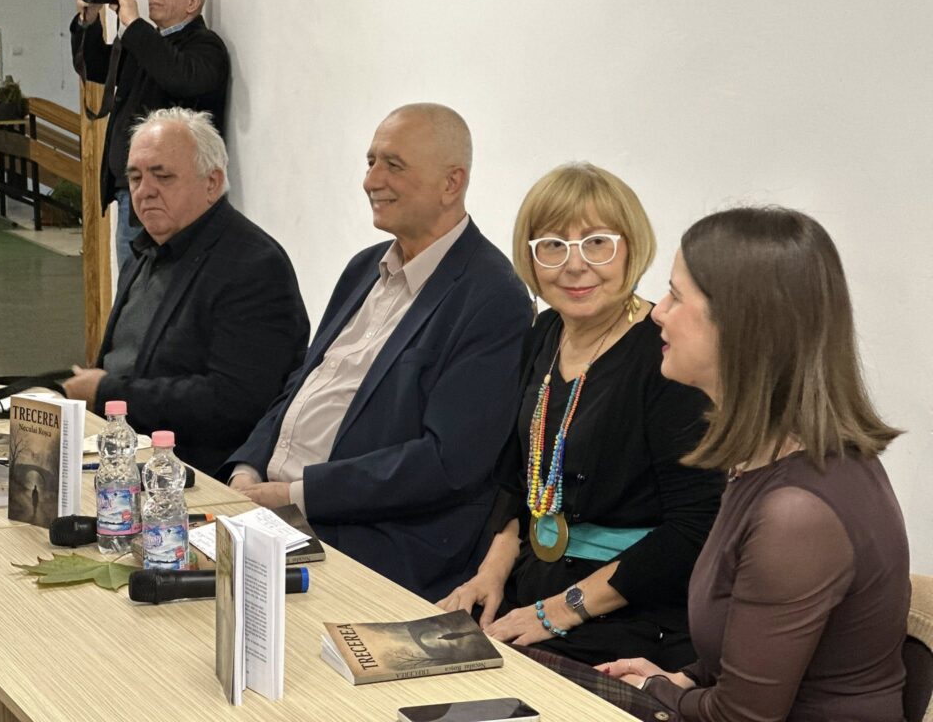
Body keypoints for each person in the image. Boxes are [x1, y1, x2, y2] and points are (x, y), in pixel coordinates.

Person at [600, 207, 909, 720]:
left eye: (676, 295)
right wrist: (683, 678)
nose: (658, 311)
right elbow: (745, 644)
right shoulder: (772, 459)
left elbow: (742, 717)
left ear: (740, 324)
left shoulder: (796, 513)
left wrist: (657, 689)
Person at [223, 103, 531, 602]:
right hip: (272, 508)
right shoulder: (363, 268)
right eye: (370, 161)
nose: (371, 180)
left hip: (365, 539)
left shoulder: (493, 297)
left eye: (393, 165)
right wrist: (248, 471)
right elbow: (302, 386)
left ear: (451, 184)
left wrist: (294, 496)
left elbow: (446, 463)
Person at [438, 162, 724, 670]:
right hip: (534, 589)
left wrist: (558, 612)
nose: (574, 265)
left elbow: (694, 529)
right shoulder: (544, 333)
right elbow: (517, 480)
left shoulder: (666, 357)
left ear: (631, 247)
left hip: (631, 615)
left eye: (597, 243)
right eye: (552, 245)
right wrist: (490, 575)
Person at [63, 108, 309, 479]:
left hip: (197, 475)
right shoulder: (146, 252)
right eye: (135, 177)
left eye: (162, 176)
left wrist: (109, 392)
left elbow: (235, 402)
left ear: (212, 183)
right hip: (120, 456)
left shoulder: (253, 265)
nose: (144, 191)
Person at [71, 0, 230, 269]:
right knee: (135, 285)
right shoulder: (149, 43)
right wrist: (88, 22)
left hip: (170, 193)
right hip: (135, 189)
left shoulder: (205, 46)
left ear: (192, 3)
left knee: (157, 285)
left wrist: (133, 23)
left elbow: (180, 78)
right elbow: (96, 67)